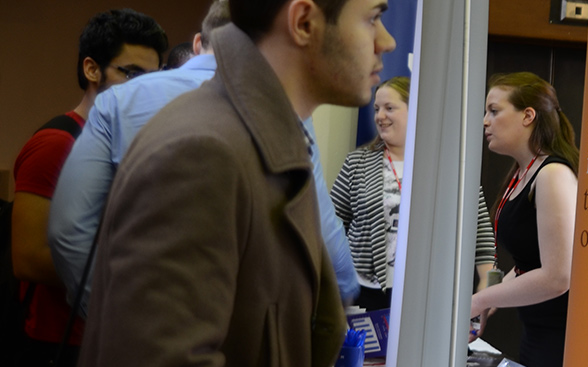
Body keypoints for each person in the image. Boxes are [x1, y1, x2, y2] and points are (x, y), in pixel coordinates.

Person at [67, 0, 395, 367]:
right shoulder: (203, 151)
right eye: (373, 18)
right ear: (304, 22)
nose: (387, 41)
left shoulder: (274, 142)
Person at [48, 0, 362, 318]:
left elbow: (69, 229)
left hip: (138, 324)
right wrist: (344, 293)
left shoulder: (117, 102)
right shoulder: (286, 111)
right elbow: (319, 229)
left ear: (198, 43)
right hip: (244, 333)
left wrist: (111, 314)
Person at [8, 9, 165, 367]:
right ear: (92, 69)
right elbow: (27, 257)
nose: (144, 89)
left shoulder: (128, 146)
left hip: (110, 338)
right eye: (131, 74)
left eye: (155, 77)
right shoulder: (56, 144)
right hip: (58, 346)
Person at [331, 76, 496, 310]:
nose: (380, 116)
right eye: (377, 109)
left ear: (416, 111)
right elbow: (332, 225)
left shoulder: (450, 168)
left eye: (390, 108)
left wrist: (488, 290)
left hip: (427, 295)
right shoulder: (357, 163)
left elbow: (480, 235)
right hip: (363, 295)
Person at [470, 72, 579, 367]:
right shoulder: (522, 173)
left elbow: (558, 276)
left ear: (528, 116)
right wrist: (489, 302)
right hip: (537, 332)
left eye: (494, 111)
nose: (485, 122)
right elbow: (528, 264)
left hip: (561, 339)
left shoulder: (553, 174)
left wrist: (480, 301)